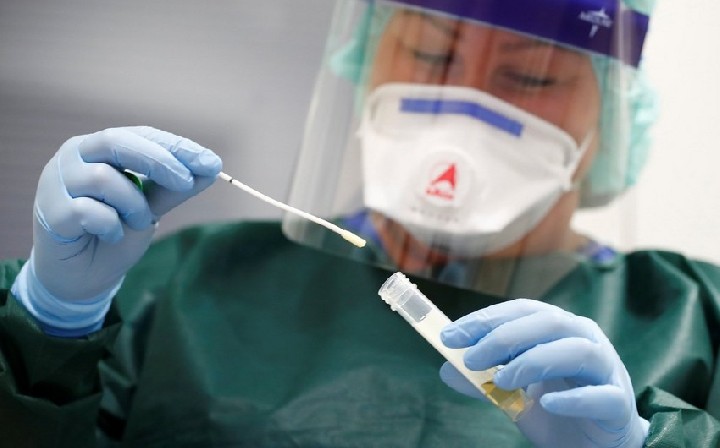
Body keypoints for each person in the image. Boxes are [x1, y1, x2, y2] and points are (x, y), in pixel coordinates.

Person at [1, 0, 719, 446]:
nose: (462, 101)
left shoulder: (696, 322)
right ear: (367, 55)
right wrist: (49, 323)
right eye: (430, 55)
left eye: (531, 76)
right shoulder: (182, 287)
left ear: (614, 114)